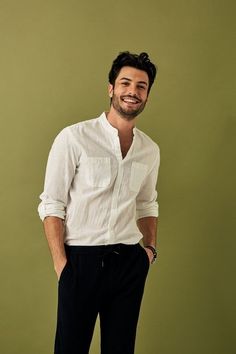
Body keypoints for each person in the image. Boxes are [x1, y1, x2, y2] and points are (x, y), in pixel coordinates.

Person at [38, 51, 160, 354]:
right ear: (111, 88)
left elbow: (147, 203)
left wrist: (149, 252)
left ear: (147, 96)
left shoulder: (150, 149)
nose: (132, 92)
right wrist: (62, 265)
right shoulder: (74, 138)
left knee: (120, 349)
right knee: (70, 348)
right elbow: (52, 203)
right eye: (125, 83)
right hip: (80, 262)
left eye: (141, 86)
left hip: (129, 263)